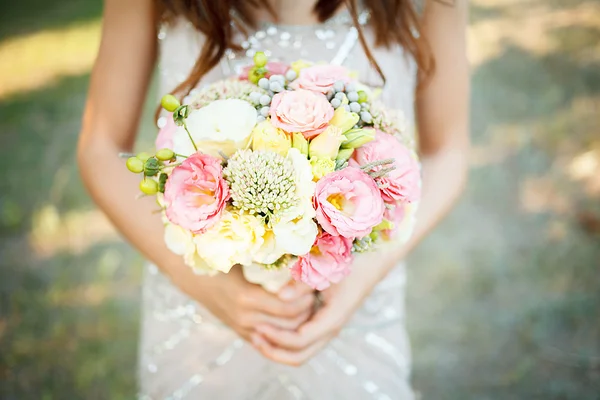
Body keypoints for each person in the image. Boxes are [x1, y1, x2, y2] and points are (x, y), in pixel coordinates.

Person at [78, 0, 469, 398]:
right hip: (197, 317)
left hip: (355, 312)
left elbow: (448, 153)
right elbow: (101, 147)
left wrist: (363, 276)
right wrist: (206, 284)